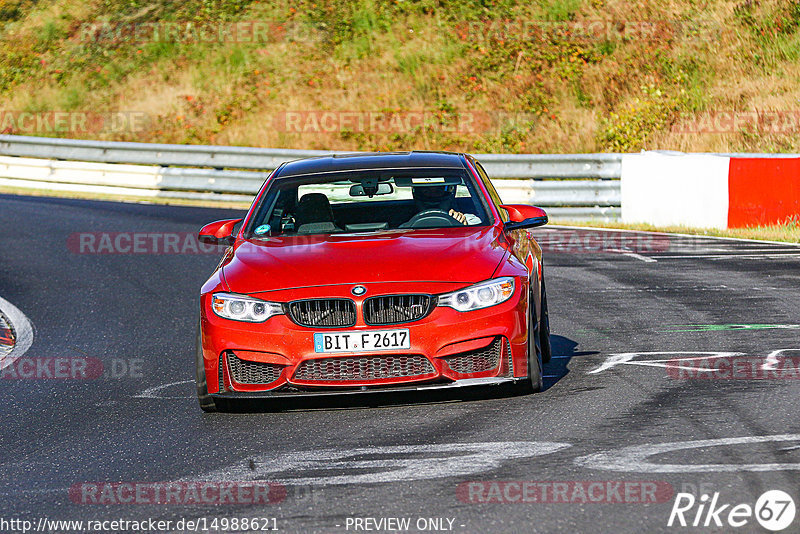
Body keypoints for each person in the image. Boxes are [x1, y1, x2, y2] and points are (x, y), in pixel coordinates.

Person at [411, 185, 481, 225]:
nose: (433, 196)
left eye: (439, 191)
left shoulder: (467, 220)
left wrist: (464, 225)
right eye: (426, 191)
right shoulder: (403, 225)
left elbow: (482, 233)